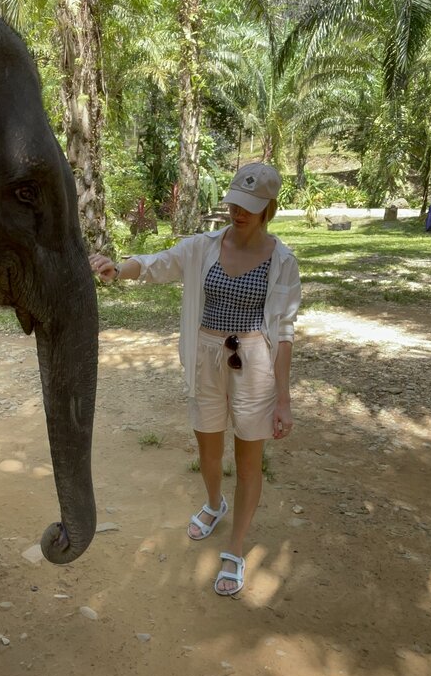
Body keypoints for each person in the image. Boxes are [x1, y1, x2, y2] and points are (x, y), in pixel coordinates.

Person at [89, 162, 301, 597]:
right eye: (234, 204)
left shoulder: (282, 261)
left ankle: (237, 547)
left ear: (268, 209)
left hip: (255, 361)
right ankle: (213, 504)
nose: (237, 213)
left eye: (248, 207)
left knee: (248, 458)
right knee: (207, 447)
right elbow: (157, 264)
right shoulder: (204, 246)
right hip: (206, 354)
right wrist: (118, 268)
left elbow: (283, 335)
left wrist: (283, 399)